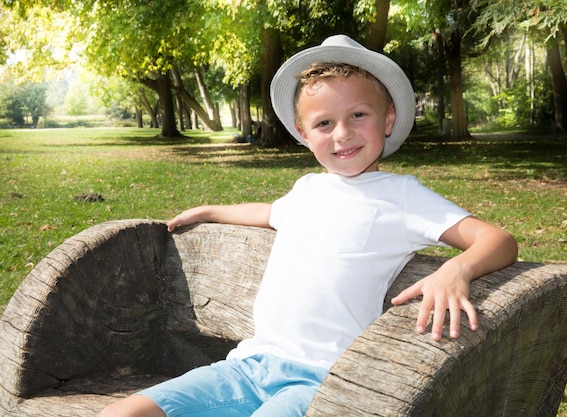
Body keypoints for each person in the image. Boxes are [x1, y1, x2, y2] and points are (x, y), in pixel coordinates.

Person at [98, 35, 518, 417]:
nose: (342, 134)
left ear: (387, 120)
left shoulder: (402, 197)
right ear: (302, 132)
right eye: (324, 123)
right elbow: (269, 212)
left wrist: (455, 269)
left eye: (358, 115)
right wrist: (211, 210)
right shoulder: (307, 190)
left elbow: (496, 240)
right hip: (248, 366)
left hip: (321, 379)